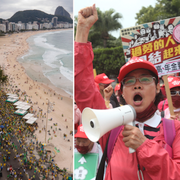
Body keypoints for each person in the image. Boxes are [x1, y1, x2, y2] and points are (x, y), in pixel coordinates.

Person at [75, 4, 180, 180]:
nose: (137, 86)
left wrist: (144, 146)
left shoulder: (174, 130)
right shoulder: (112, 129)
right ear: (122, 92)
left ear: (157, 88)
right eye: (130, 81)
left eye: (145, 79)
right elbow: (84, 89)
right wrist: (82, 31)